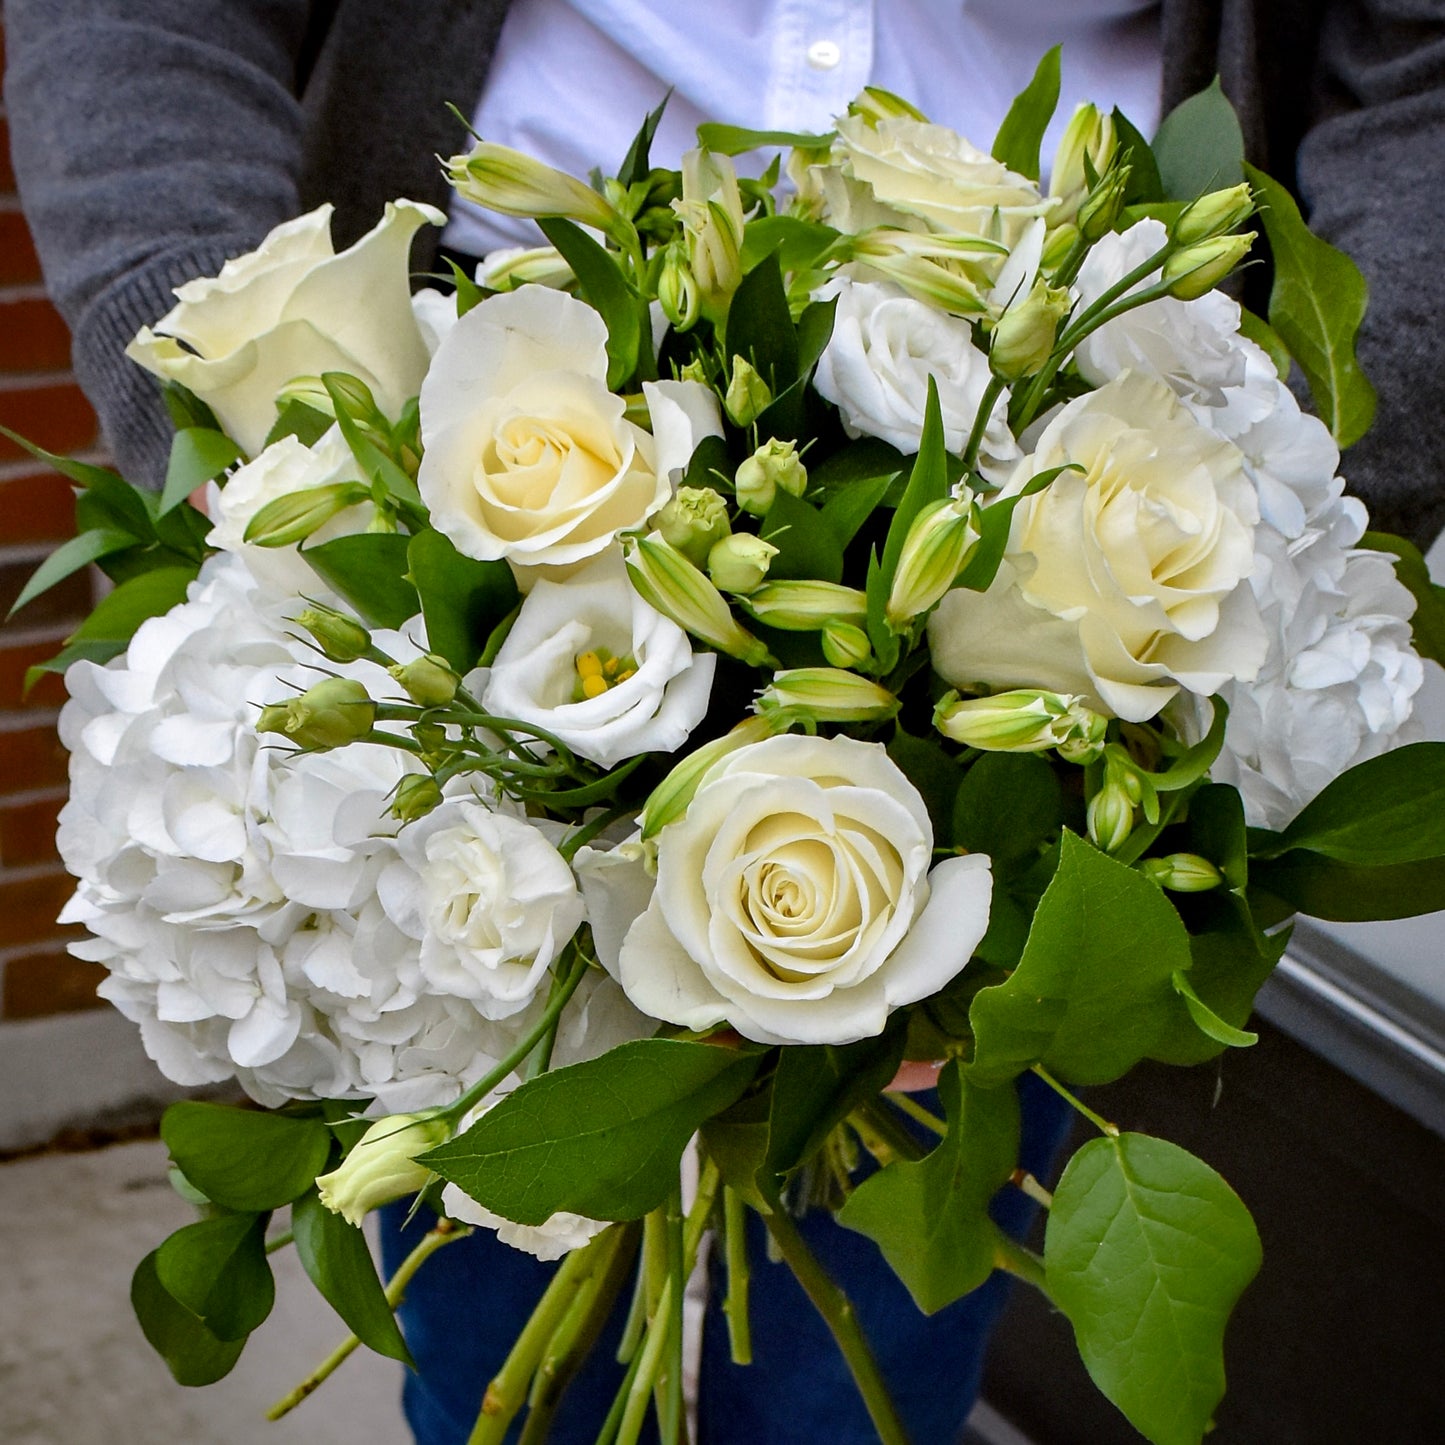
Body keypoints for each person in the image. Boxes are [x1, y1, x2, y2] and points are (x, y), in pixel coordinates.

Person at [5, 3, 1444, 1441]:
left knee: (876, 1340)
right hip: (458, 426)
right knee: (504, 1284)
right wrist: (204, 341)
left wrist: (1286, 468)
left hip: (1050, 471)